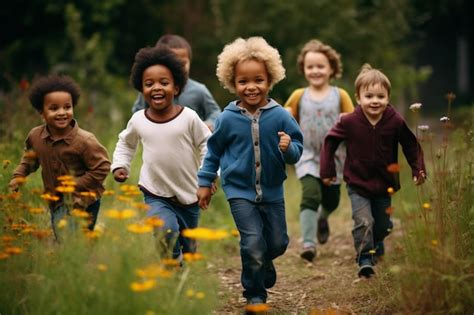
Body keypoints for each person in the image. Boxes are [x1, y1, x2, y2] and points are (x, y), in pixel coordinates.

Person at [197, 37, 303, 307]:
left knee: (278, 243)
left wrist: (288, 148)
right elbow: (214, 152)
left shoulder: (280, 115)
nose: (251, 87)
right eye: (243, 81)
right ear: (233, 83)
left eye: (258, 80)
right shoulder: (227, 118)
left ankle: (265, 262)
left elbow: (298, 149)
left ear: (270, 79)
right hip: (239, 191)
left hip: (272, 190)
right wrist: (205, 182)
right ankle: (254, 294)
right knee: (252, 243)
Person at [320, 64, 426, 278]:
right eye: (369, 96)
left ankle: (377, 242)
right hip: (357, 183)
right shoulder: (349, 121)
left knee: (384, 226)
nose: (375, 101)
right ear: (358, 98)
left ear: (388, 97)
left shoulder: (394, 121)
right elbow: (330, 141)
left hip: (385, 184)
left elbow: (410, 144)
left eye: (381, 96)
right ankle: (364, 259)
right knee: (364, 221)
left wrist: (418, 169)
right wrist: (327, 169)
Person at [112, 45, 211, 261]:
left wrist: (207, 179)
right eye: (149, 84)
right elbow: (126, 143)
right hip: (155, 192)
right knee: (165, 232)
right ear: (141, 89)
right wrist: (121, 165)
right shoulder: (138, 119)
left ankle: (182, 264)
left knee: (190, 249)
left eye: (164, 83)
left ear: (176, 88)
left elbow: (207, 145)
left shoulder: (189, 118)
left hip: (189, 195)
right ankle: (171, 265)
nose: (156, 88)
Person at [9, 74, 111, 239]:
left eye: (67, 107)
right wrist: (19, 175)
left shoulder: (85, 140)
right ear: (41, 112)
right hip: (56, 199)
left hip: (85, 200)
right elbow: (30, 159)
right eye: (54, 108)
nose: (62, 113)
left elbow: (103, 166)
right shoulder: (36, 136)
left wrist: (76, 184)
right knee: (66, 240)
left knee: (72, 240)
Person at [284, 39, 354, 262]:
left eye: (320, 66)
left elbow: (354, 121)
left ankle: (323, 218)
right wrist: (283, 116)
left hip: (335, 158)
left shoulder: (340, 95)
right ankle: (308, 243)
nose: (315, 71)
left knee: (331, 200)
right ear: (304, 69)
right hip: (307, 155)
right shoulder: (298, 95)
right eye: (310, 66)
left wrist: (348, 120)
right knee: (311, 195)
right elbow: (284, 117)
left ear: (332, 68)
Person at [131, 34, 221, 130]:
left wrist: (209, 124)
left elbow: (216, 113)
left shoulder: (199, 90)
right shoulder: (150, 91)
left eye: (182, 63)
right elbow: (137, 113)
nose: (178, 67)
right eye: (173, 64)